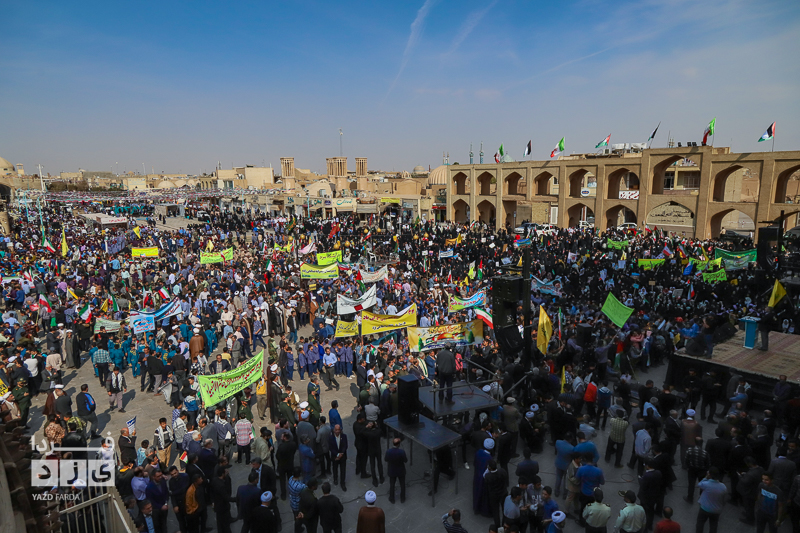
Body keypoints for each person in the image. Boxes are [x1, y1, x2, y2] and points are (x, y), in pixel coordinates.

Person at [695, 467, 727, 533]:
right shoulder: (723, 487)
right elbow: (724, 500)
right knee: (713, 525)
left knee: (700, 523)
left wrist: (706, 477)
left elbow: (699, 484)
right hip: (716, 510)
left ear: (709, 474)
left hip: (704, 508)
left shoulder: (706, 484)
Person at [385, 437, 408, 503]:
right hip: (400, 470)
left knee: (392, 485)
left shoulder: (388, 451)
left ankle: (392, 498)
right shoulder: (402, 452)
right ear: (399, 444)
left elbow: (386, 459)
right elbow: (405, 460)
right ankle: (402, 498)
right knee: (402, 484)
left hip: (392, 470)